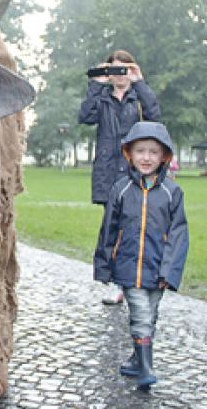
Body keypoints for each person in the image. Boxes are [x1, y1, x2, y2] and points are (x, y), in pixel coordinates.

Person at [92, 121, 188, 390]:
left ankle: (137, 359)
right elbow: (108, 230)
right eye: (140, 151)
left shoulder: (172, 193)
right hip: (129, 268)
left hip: (158, 270)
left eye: (153, 152)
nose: (146, 158)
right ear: (129, 154)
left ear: (164, 156)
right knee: (141, 314)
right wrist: (103, 265)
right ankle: (146, 368)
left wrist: (169, 272)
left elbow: (179, 236)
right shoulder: (120, 189)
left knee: (151, 315)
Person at [80, 49, 161, 305]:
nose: (119, 76)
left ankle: (133, 280)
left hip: (133, 170)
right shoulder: (102, 98)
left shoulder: (138, 99)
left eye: (124, 70)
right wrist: (96, 84)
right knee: (111, 230)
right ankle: (116, 282)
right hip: (107, 172)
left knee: (134, 228)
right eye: (114, 70)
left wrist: (141, 82)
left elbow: (155, 116)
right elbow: (85, 116)